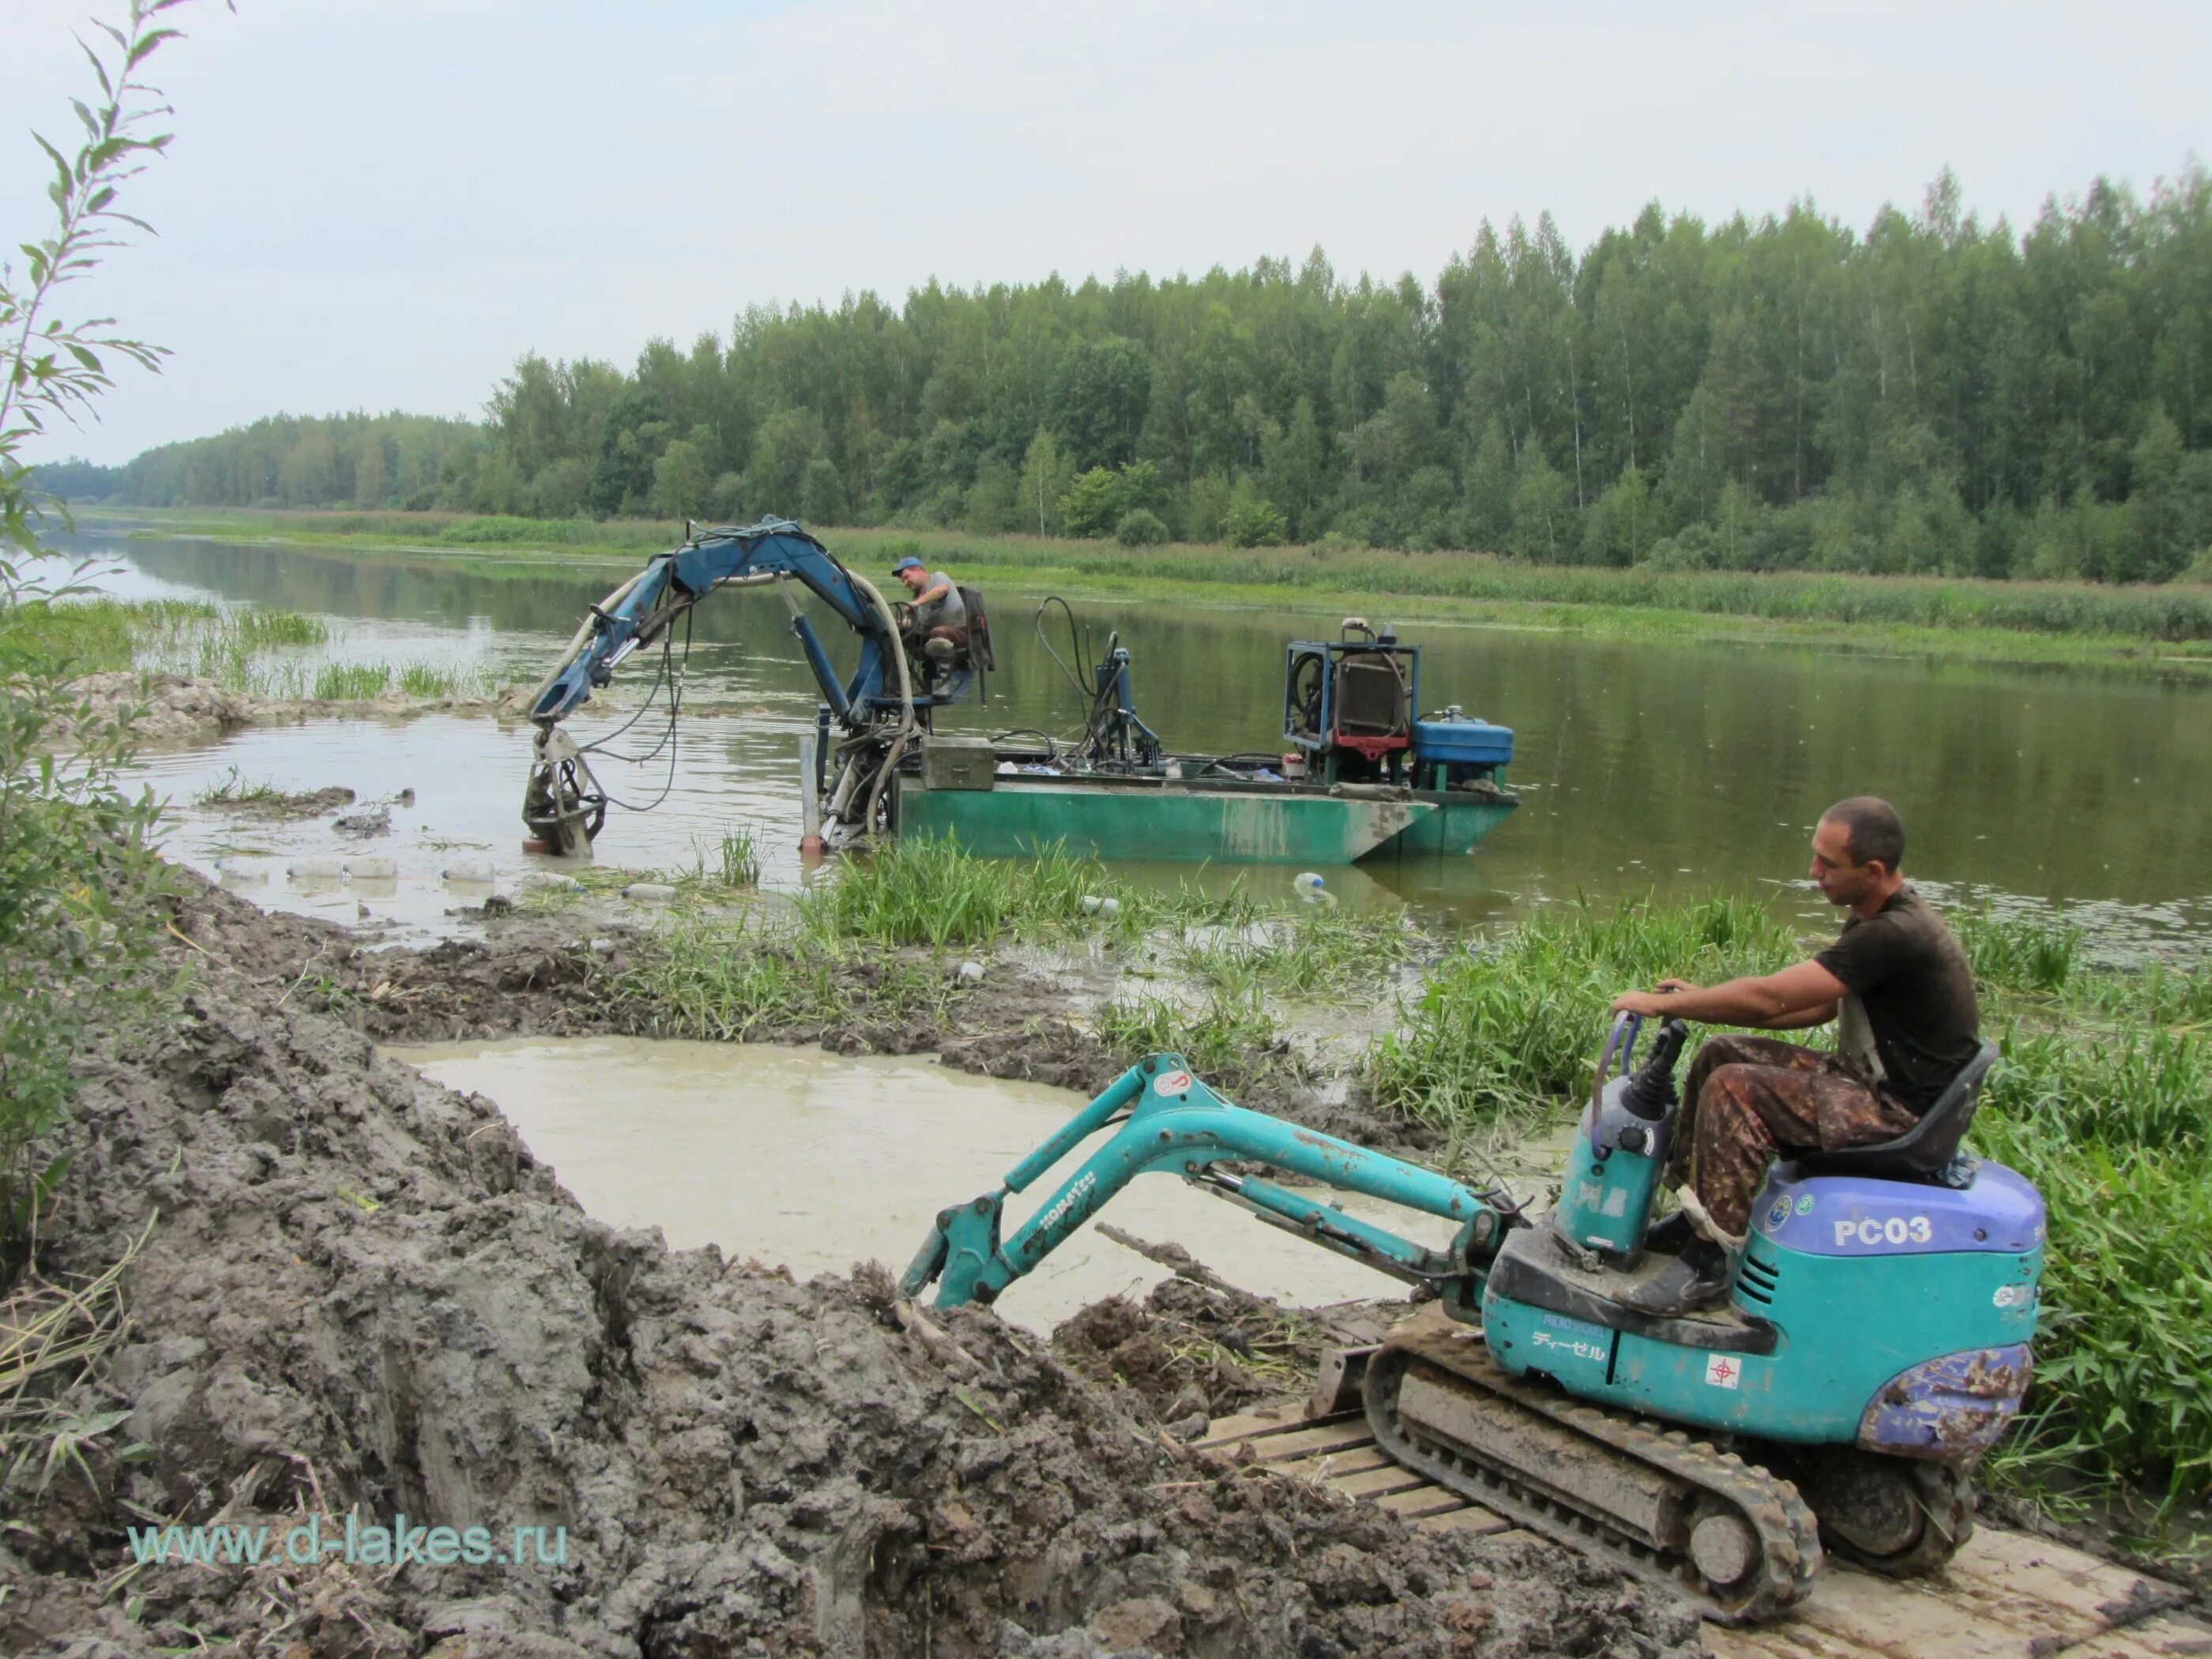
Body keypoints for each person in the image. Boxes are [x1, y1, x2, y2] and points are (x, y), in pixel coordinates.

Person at [1606, 796, 1981, 1316]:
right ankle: (1698, 1215)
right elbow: (1816, 1007)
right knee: (1720, 1054)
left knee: (1737, 1089)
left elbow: (1769, 996)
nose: (1814, 872)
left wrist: (1661, 1003)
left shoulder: (1894, 935)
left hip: (1900, 1115)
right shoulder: (1873, 918)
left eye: (1828, 863)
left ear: (1872, 871)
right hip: (1874, 1084)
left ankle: (1708, 1264)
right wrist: (1700, 1002)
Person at [892, 555, 967, 661]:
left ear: (918, 570)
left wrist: (917, 603)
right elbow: (914, 622)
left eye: (907, 577)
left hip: (956, 632)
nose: (905, 582)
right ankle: (897, 668)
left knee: (938, 633)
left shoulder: (938, 577)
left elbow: (942, 590)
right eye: (902, 580)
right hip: (931, 635)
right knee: (900, 632)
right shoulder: (917, 595)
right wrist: (896, 623)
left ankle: (944, 673)